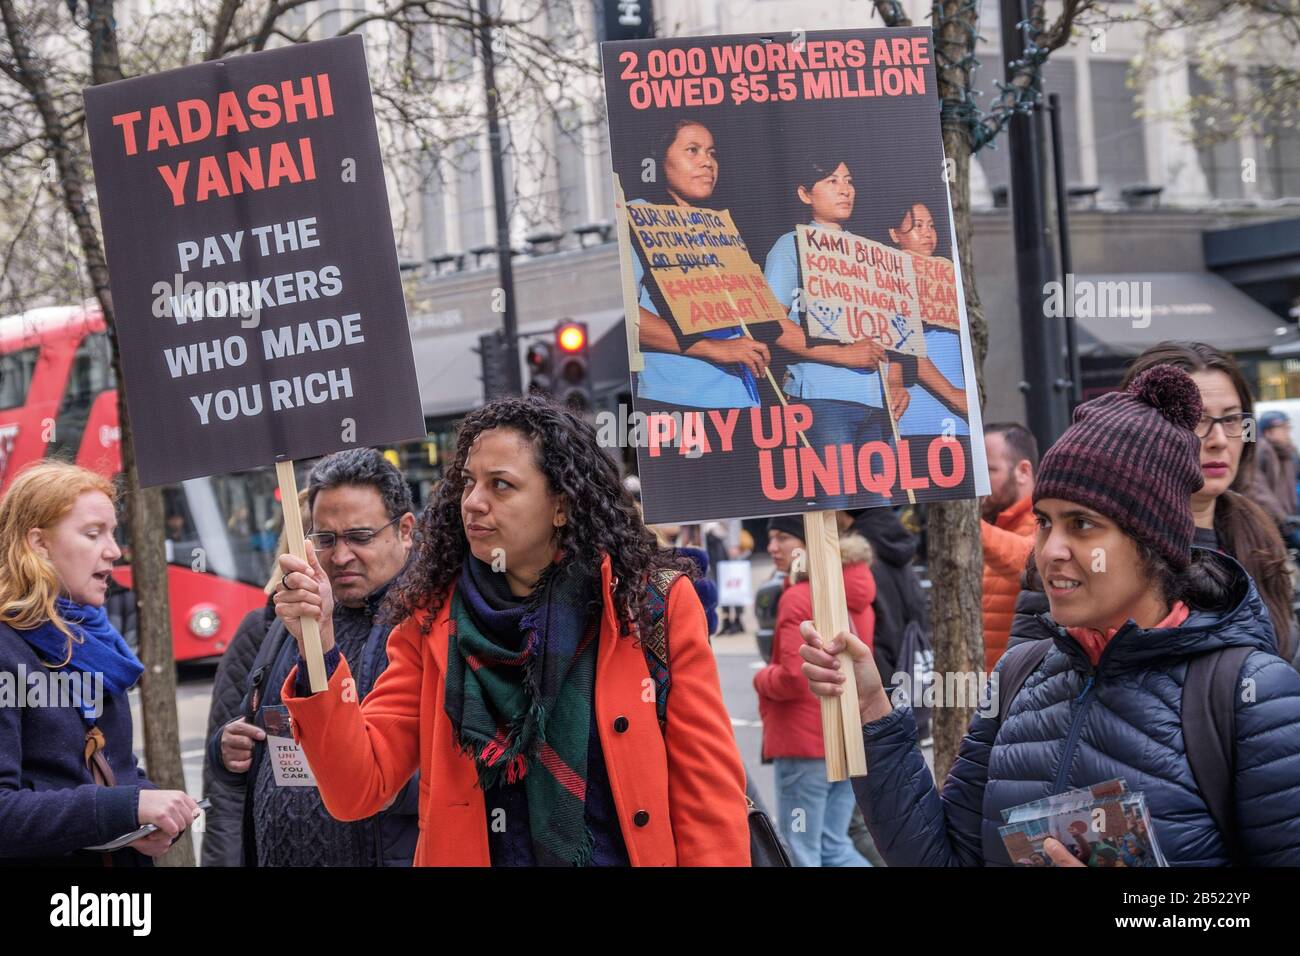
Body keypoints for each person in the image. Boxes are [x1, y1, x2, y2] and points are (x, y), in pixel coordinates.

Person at [799, 365, 1300, 865]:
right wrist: (872, 713)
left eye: (1082, 524)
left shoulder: (1250, 696)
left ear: (1154, 545)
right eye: (1044, 522)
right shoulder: (1021, 674)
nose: (1050, 550)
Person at [276, 397, 750, 865]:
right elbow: (358, 788)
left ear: (561, 505)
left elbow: (708, 802)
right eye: (468, 482)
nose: (473, 503)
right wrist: (318, 647)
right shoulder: (431, 620)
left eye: (500, 485)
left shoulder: (649, 605)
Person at [206, 449, 419, 866]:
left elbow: (454, 771)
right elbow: (256, 731)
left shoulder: (427, 624)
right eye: (325, 539)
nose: (340, 557)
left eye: (360, 537)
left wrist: (376, 779)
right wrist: (225, 750)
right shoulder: (289, 620)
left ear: (405, 530)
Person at [0, 461, 200, 864]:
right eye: (93, 534)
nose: (114, 550)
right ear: (38, 544)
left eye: (113, 533)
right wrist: (123, 809)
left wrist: (148, 811)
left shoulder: (92, 643)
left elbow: (114, 767)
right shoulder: (7, 650)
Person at [1120, 343, 1294, 661]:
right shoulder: (1103, 542)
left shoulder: (1256, 530)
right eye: (1196, 420)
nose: (1218, 441)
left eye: (1231, 420)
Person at [762, 157, 896, 506]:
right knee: (831, 508)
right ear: (805, 193)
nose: (844, 189)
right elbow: (771, 325)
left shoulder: (868, 252)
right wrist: (843, 354)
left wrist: (893, 380)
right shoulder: (790, 246)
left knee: (879, 514)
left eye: (848, 180)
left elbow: (893, 328)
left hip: (875, 402)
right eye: (832, 181)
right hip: (823, 401)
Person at [755, 514, 874, 867]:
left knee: (801, 847)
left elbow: (793, 677)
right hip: (845, 734)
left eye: (783, 538)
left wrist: (760, 679)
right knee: (833, 845)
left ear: (809, 545)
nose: (772, 547)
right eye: (771, 538)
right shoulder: (854, 588)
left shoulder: (798, 597)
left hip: (803, 741)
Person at [200, 489, 308, 867]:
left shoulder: (393, 626)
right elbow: (225, 786)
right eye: (318, 538)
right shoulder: (261, 629)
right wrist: (224, 750)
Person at [631, 118, 769, 409]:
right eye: (692, 150)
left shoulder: (719, 227)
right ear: (660, 159)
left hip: (741, 397)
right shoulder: (637, 218)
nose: (707, 162)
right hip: (678, 399)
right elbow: (628, 316)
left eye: (711, 153)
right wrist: (714, 349)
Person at [980, 423, 1038, 670]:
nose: (980, 483)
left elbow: (1027, 561)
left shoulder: (1042, 522)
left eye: (989, 471)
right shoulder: (997, 526)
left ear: (1023, 471)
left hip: (1016, 690)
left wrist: (961, 516)